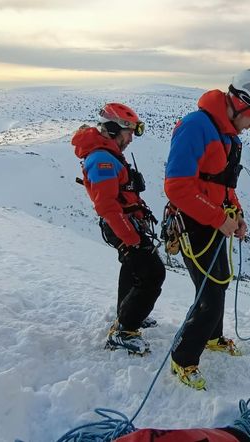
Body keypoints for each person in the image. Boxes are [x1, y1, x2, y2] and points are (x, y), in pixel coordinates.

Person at [164, 68, 250, 389]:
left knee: (219, 282)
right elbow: (176, 187)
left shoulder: (228, 136)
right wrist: (218, 218)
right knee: (209, 293)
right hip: (193, 222)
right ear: (239, 103)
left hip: (215, 221)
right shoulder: (196, 127)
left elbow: (224, 186)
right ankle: (184, 358)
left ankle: (212, 337)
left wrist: (235, 215)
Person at [72, 103, 166, 356]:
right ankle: (125, 330)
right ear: (114, 129)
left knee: (133, 268)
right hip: (121, 225)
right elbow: (107, 205)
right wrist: (131, 237)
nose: (130, 139)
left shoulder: (107, 153)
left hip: (126, 223)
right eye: (128, 132)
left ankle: (128, 313)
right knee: (153, 273)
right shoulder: (102, 159)